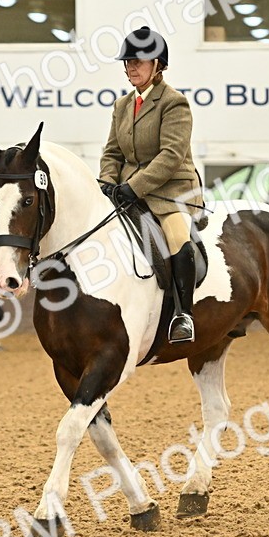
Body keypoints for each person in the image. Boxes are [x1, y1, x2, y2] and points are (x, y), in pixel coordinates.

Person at [99, 26, 201, 344]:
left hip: (171, 192)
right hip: (128, 192)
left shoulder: (174, 103)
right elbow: (112, 153)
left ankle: (183, 315)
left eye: (138, 61)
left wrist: (134, 186)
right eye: (127, 62)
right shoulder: (122, 105)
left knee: (177, 237)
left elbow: (171, 156)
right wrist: (107, 183)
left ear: (158, 65)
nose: (131, 67)